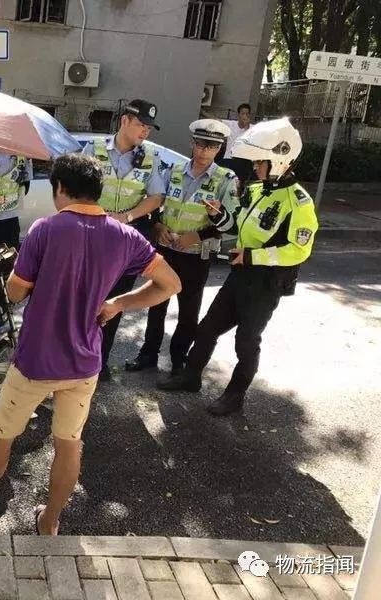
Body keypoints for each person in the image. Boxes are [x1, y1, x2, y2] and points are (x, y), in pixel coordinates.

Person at [0, 153, 181, 535]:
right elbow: (171, 284)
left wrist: (16, 275)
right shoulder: (125, 236)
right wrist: (119, 303)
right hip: (85, 364)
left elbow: (14, 293)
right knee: (69, 444)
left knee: (0, 438)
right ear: (98, 190)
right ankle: (50, 521)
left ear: (60, 188)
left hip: (35, 362)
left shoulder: (45, 229)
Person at [158, 118, 319, 416]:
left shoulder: (299, 203)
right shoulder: (257, 190)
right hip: (239, 274)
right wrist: (218, 217)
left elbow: (299, 249)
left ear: (280, 162)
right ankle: (190, 376)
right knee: (206, 329)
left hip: (265, 282)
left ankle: (234, 396)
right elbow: (235, 226)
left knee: (246, 341)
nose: (256, 168)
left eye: (261, 163)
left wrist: (253, 256)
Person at [126, 120, 238, 378]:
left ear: (219, 149)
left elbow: (232, 223)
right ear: (192, 143)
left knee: (188, 312)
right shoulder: (172, 170)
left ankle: (178, 360)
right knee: (156, 305)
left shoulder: (226, 180)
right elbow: (154, 203)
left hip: (196, 256)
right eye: (199, 144)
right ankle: (148, 355)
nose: (203, 151)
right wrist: (156, 228)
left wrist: (198, 235)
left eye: (210, 146)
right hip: (166, 251)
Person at [82, 99, 165, 381]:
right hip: (91, 236)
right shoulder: (92, 150)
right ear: (125, 121)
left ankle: (99, 363)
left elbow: (156, 197)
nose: (146, 132)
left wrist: (127, 216)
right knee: (85, 298)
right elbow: (76, 190)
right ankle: (76, 358)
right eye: (141, 124)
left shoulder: (151, 157)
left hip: (127, 239)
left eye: (149, 127)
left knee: (115, 301)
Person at [219, 103, 254, 184]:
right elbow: (217, 120)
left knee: (241, 183)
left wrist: (247, 127)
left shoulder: (253, 128)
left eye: (247, 114)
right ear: (238, 115)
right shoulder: (231, 124)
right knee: (223, 181)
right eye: (243, 113)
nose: (245, 116)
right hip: (229, 159)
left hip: (244, 161)